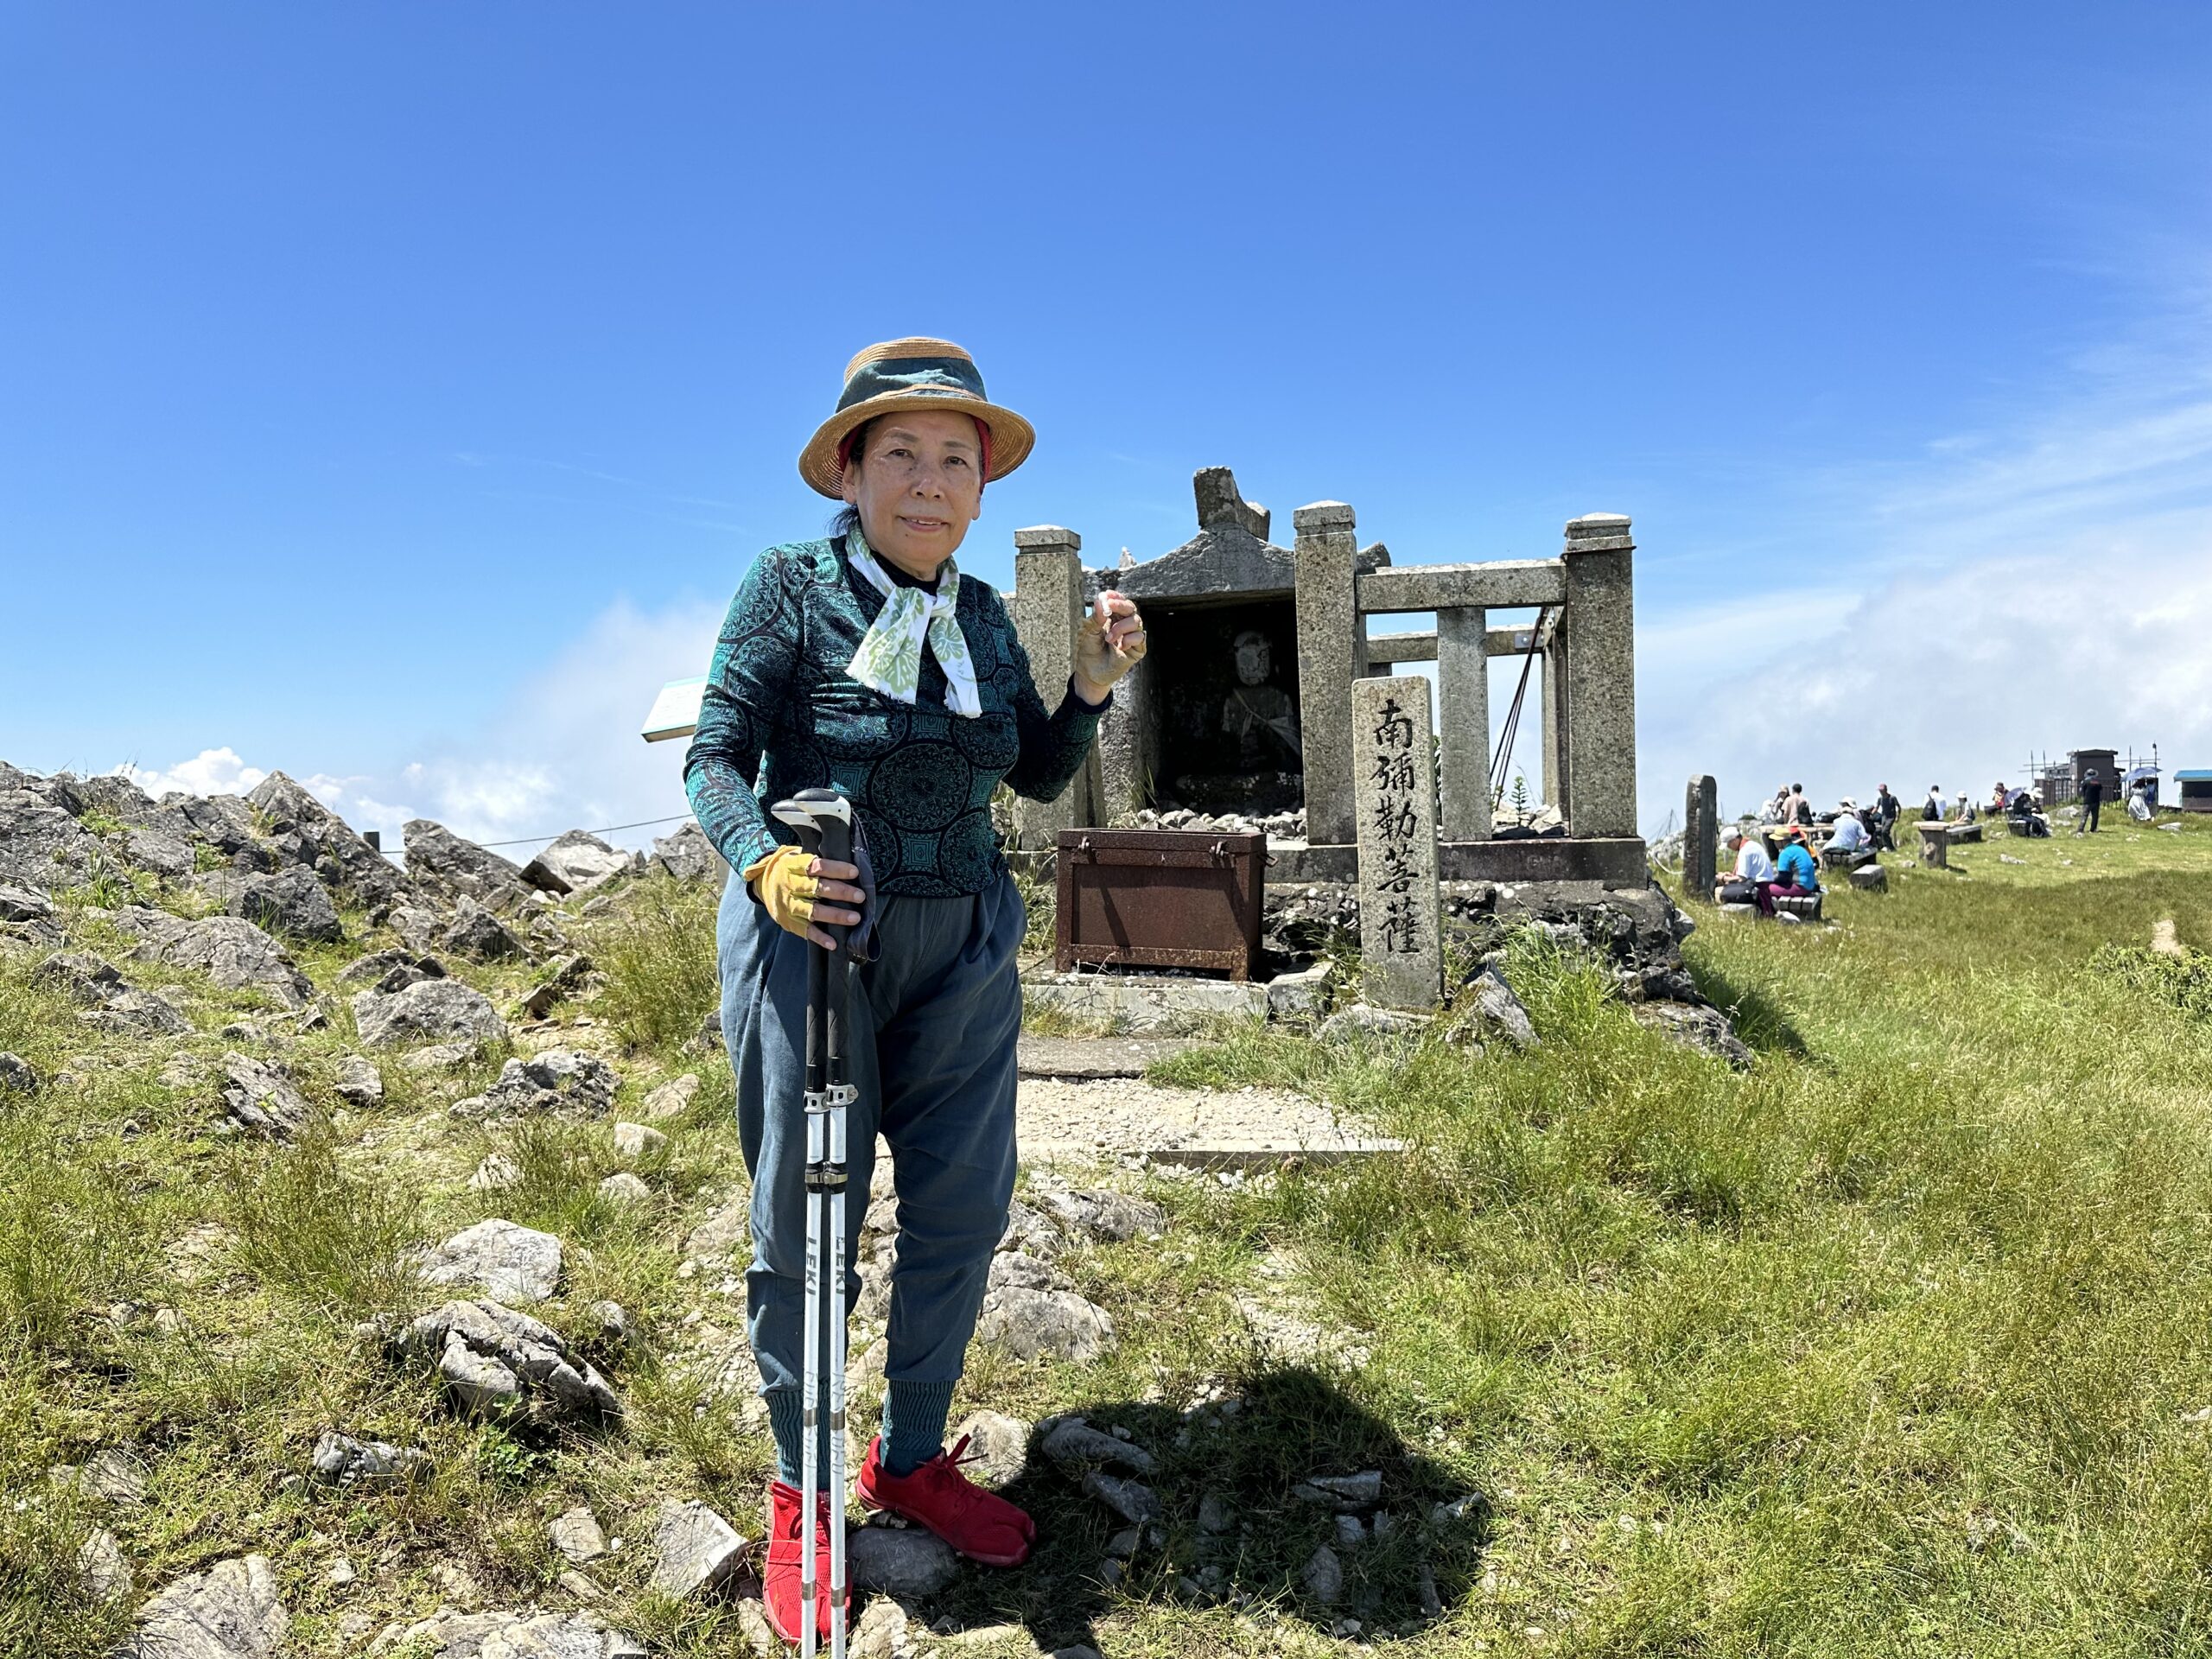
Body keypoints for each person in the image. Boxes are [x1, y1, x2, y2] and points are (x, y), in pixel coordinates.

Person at [683, 338, 1147, 1642]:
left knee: (961, 1208)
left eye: (956, 458)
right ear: (850, 471)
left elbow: (1036, 774)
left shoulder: (985, 618)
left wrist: (1091, 688)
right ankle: (803, 1489)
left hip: (966, 947)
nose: (930, 481)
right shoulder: (787, 587)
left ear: (983, 488)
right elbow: (713, 756)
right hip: (815, 940)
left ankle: (908, 1457)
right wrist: (762, 862)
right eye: (901, 454)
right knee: (807, 1221)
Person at [1759, 824, 1821, 916]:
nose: (1774, 843)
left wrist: (1769, 880)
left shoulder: (1785, 853)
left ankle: (1768, 913)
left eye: (1776, 840)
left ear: (1782, 841)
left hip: (1801, 888)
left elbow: (1783, 877)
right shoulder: (1799, 849)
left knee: (1764, 888)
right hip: (1810, 885)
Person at [1719, 824, 1775, 903]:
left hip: (1759, 885)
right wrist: (1730, 876)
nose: (1729, 847)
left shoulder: (1745, 851)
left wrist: (1723, 878)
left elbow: (1741, 879)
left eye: (1729, 844)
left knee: (1724, 893)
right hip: (1764, 882)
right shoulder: (1751, 845)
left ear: (1734, 840)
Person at [2078, 767, 2103, 834]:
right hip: (2096, 801)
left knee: (2084, 815)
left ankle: (2081, 829)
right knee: (2095, 817)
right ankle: (2093, 829)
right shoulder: (2097, 782)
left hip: (2087, 801)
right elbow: (2100, 788)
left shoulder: (2085, 782)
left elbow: (2081, 790)